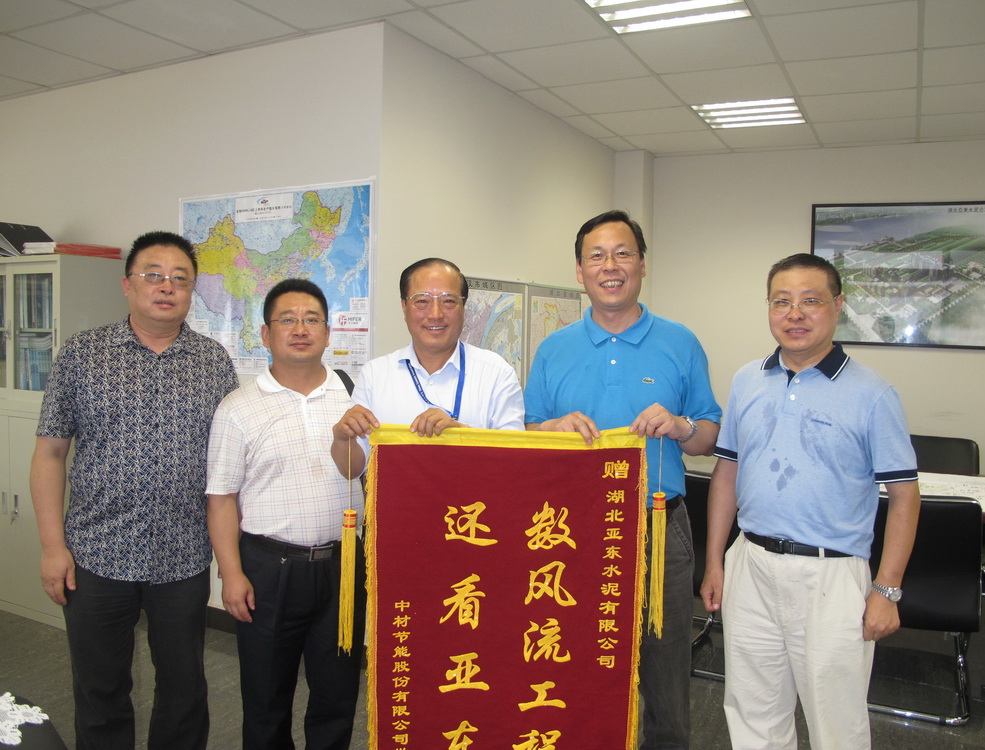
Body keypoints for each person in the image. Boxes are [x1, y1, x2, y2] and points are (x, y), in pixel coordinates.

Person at [700, 253, 921, 750]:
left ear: (837, 306)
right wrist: (716, 561)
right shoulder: (747, 380)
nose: (794, 314)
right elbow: (727, 473)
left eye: (810, 301)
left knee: (836, 724)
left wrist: (887, 590)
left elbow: (905, 496)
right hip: (751, 565)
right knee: (752, 712)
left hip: (831, 576)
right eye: (781, 302)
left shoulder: (872, 393)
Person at [30, 230, 239, 750]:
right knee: (100, 688)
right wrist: (53, 547)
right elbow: (50, 454)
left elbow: (229, 463)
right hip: (95, 553)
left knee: (184, 689)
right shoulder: (82, 354)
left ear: (192, 291)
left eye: (180, 279)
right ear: (127, 285)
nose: (166, 287)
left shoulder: (214, 362)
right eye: (153, 275)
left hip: (182, 556)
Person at [523, 210, 722, 750]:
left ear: (642, 264)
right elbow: (527, 433)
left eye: (622, 253)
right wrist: (552, 428)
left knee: (665, 672)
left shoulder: (680, 342)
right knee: (574, 664)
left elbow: (709, 437)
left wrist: (680, 426)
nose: (610, 266)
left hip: (658, 528)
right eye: (596, 256)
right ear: (580, 270)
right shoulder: (554, 348)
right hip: (569, 532)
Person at [206, 278, 365, 750]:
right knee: (266, 700)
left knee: (337, 695)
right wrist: (231, 574)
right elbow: (221, 499)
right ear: (265, 334)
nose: (301, 329)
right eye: (288, 320)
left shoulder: (354, 398)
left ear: (328, 333)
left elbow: (359, 473)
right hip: (269, 570)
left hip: (343, 567)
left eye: (312, 319)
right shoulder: (238, 408)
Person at [331, 257, 523, 479]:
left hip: (475, 501)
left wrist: (462, 435)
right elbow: (352, 470)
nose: (435, 314)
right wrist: (342, 439)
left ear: (463, 307)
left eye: (448, 301)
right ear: (404, 307)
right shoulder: (375, 374)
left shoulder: (496, 372)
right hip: (399, 501)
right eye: (422, 301)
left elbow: (517, 461)